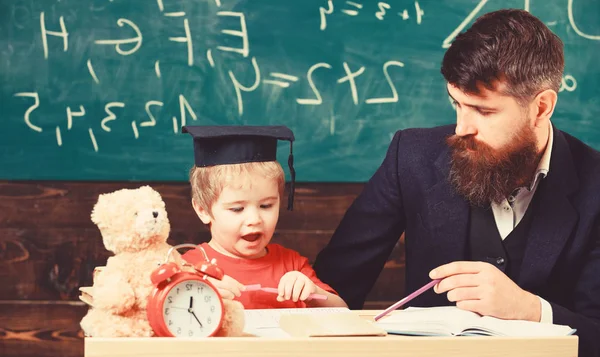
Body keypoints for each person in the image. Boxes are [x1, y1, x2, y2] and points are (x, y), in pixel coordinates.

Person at [312, 9, 600, 356]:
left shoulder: (595, 184)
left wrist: (530, 310)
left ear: (541, 107)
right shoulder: (411, 156)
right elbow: (333, 286)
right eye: (457, 104)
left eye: (483, 111)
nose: (462, 127)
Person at [180, 125, 347, 309]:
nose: (254, 219)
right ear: (203, 210)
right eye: (237, 209)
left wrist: (313, 293)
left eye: (266, 206)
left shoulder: (292, 264)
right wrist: (197, 295)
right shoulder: (189, 267)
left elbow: (341, 310)